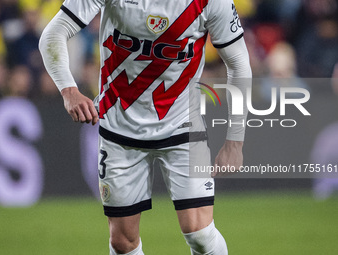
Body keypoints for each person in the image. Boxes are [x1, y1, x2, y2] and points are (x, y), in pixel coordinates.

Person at [39, 0, 252, 254]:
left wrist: (235, 142)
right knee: (122, 242)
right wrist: (69, 90)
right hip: (119, 128)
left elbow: (238, 64)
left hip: (182, 125)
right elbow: (53, 33)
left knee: (200, 234)